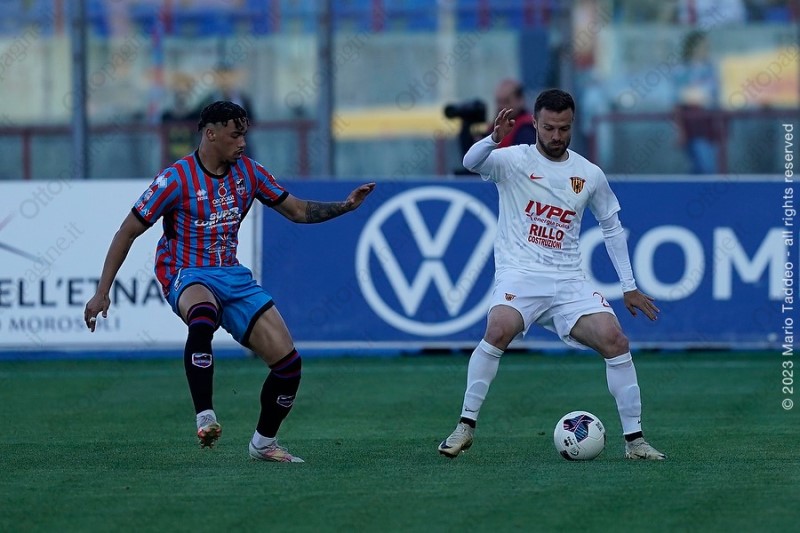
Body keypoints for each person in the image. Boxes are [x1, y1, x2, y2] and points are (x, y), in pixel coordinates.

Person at [84, 101, 375, 463]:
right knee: (203, 315)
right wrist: (102, 292)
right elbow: (127, 231)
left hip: (232, 275)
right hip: (186, 271)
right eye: (235, 135)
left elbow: (297, 211)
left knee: (288, 367)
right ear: (211, 134)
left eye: (244, 135)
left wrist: (346, 206)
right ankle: (205, 416)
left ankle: (263, 444)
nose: (242, 143)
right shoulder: (176, 179)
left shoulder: (250, 173)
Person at [437, 89, 666, 461]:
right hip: (520, 274)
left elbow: (611, 227)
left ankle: (635, 442)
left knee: (615, 341)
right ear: (535, 124)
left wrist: (629, 286)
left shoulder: (589, 174)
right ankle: (464, 426)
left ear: (572, 124)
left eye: (564, 128)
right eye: (548, 128)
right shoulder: (513, 160)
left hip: (569, 281)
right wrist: (493, 139)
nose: (557, 136)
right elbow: (470, 161)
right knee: (498, 329)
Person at [487, 78, 536, 148]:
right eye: (499, 101)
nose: (501, 106)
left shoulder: (526, 129)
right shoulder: (494, 126)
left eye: (506, 101)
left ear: (520, 100)